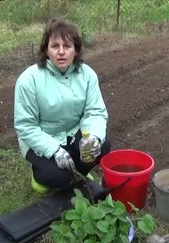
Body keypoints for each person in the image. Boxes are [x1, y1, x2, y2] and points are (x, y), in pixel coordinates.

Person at [14, 19, 110, 194]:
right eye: (55, 46)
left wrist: (93, 137)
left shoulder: (87, 75)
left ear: (76, 50)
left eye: (67, 46)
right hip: (42, 138)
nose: (61, 52)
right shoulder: (29, 80)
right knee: (58, 177)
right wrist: (54, 150)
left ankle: (79, 170)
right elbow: (25, 126)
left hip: (73, 133)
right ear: (46, 49)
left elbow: (95, 111)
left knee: (102, 146)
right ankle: (39, 173)